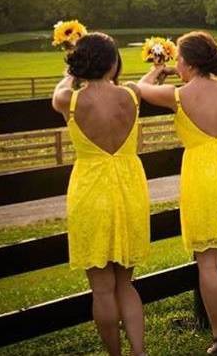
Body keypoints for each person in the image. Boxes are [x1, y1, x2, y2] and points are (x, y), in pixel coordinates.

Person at [137, 31, 217, 354]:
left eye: (178, 60)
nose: (176, 65)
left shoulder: (177, 96)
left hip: (202, 175)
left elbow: (140, 89)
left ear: (189, 62)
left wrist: (157, 70)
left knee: (208, 262)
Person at [51, 33, 149, 356]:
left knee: (103, 289)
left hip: (91, 189)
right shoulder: (132, 96)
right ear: (113, 62)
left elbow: (59, 93)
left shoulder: (72, 101)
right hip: (128, 188)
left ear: (81, 65)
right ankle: (139, 351)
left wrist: (71, 72)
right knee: (125, 284)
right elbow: (137, 85)